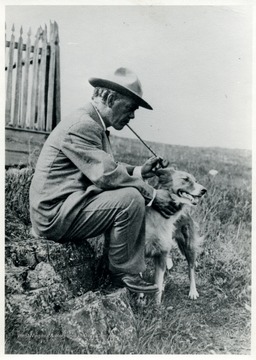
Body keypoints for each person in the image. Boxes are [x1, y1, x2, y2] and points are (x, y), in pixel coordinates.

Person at [29, 67, 180, 294]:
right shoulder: (84, 125)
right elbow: (106, 175)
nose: (132, 116)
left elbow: (105, 167)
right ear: (110, 98)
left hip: (62, 207)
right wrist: (153, 195)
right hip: (53, 216)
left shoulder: (90, 122)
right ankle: (121, 274)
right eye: (130, 108)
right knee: (130, 198)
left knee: (129, 194)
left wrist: (141, 171)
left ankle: (118, 268)